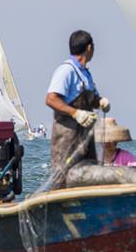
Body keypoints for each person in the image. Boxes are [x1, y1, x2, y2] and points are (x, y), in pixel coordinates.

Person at [45, 30, 110, 189]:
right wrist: (75, 113)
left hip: (85, 137)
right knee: (64, 177)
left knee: (90, 174)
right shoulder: (66, 71)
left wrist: (99, 101)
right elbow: (51, 99)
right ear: (89, 48)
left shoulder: (85, 73)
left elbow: (88, 99)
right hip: (67, 138)